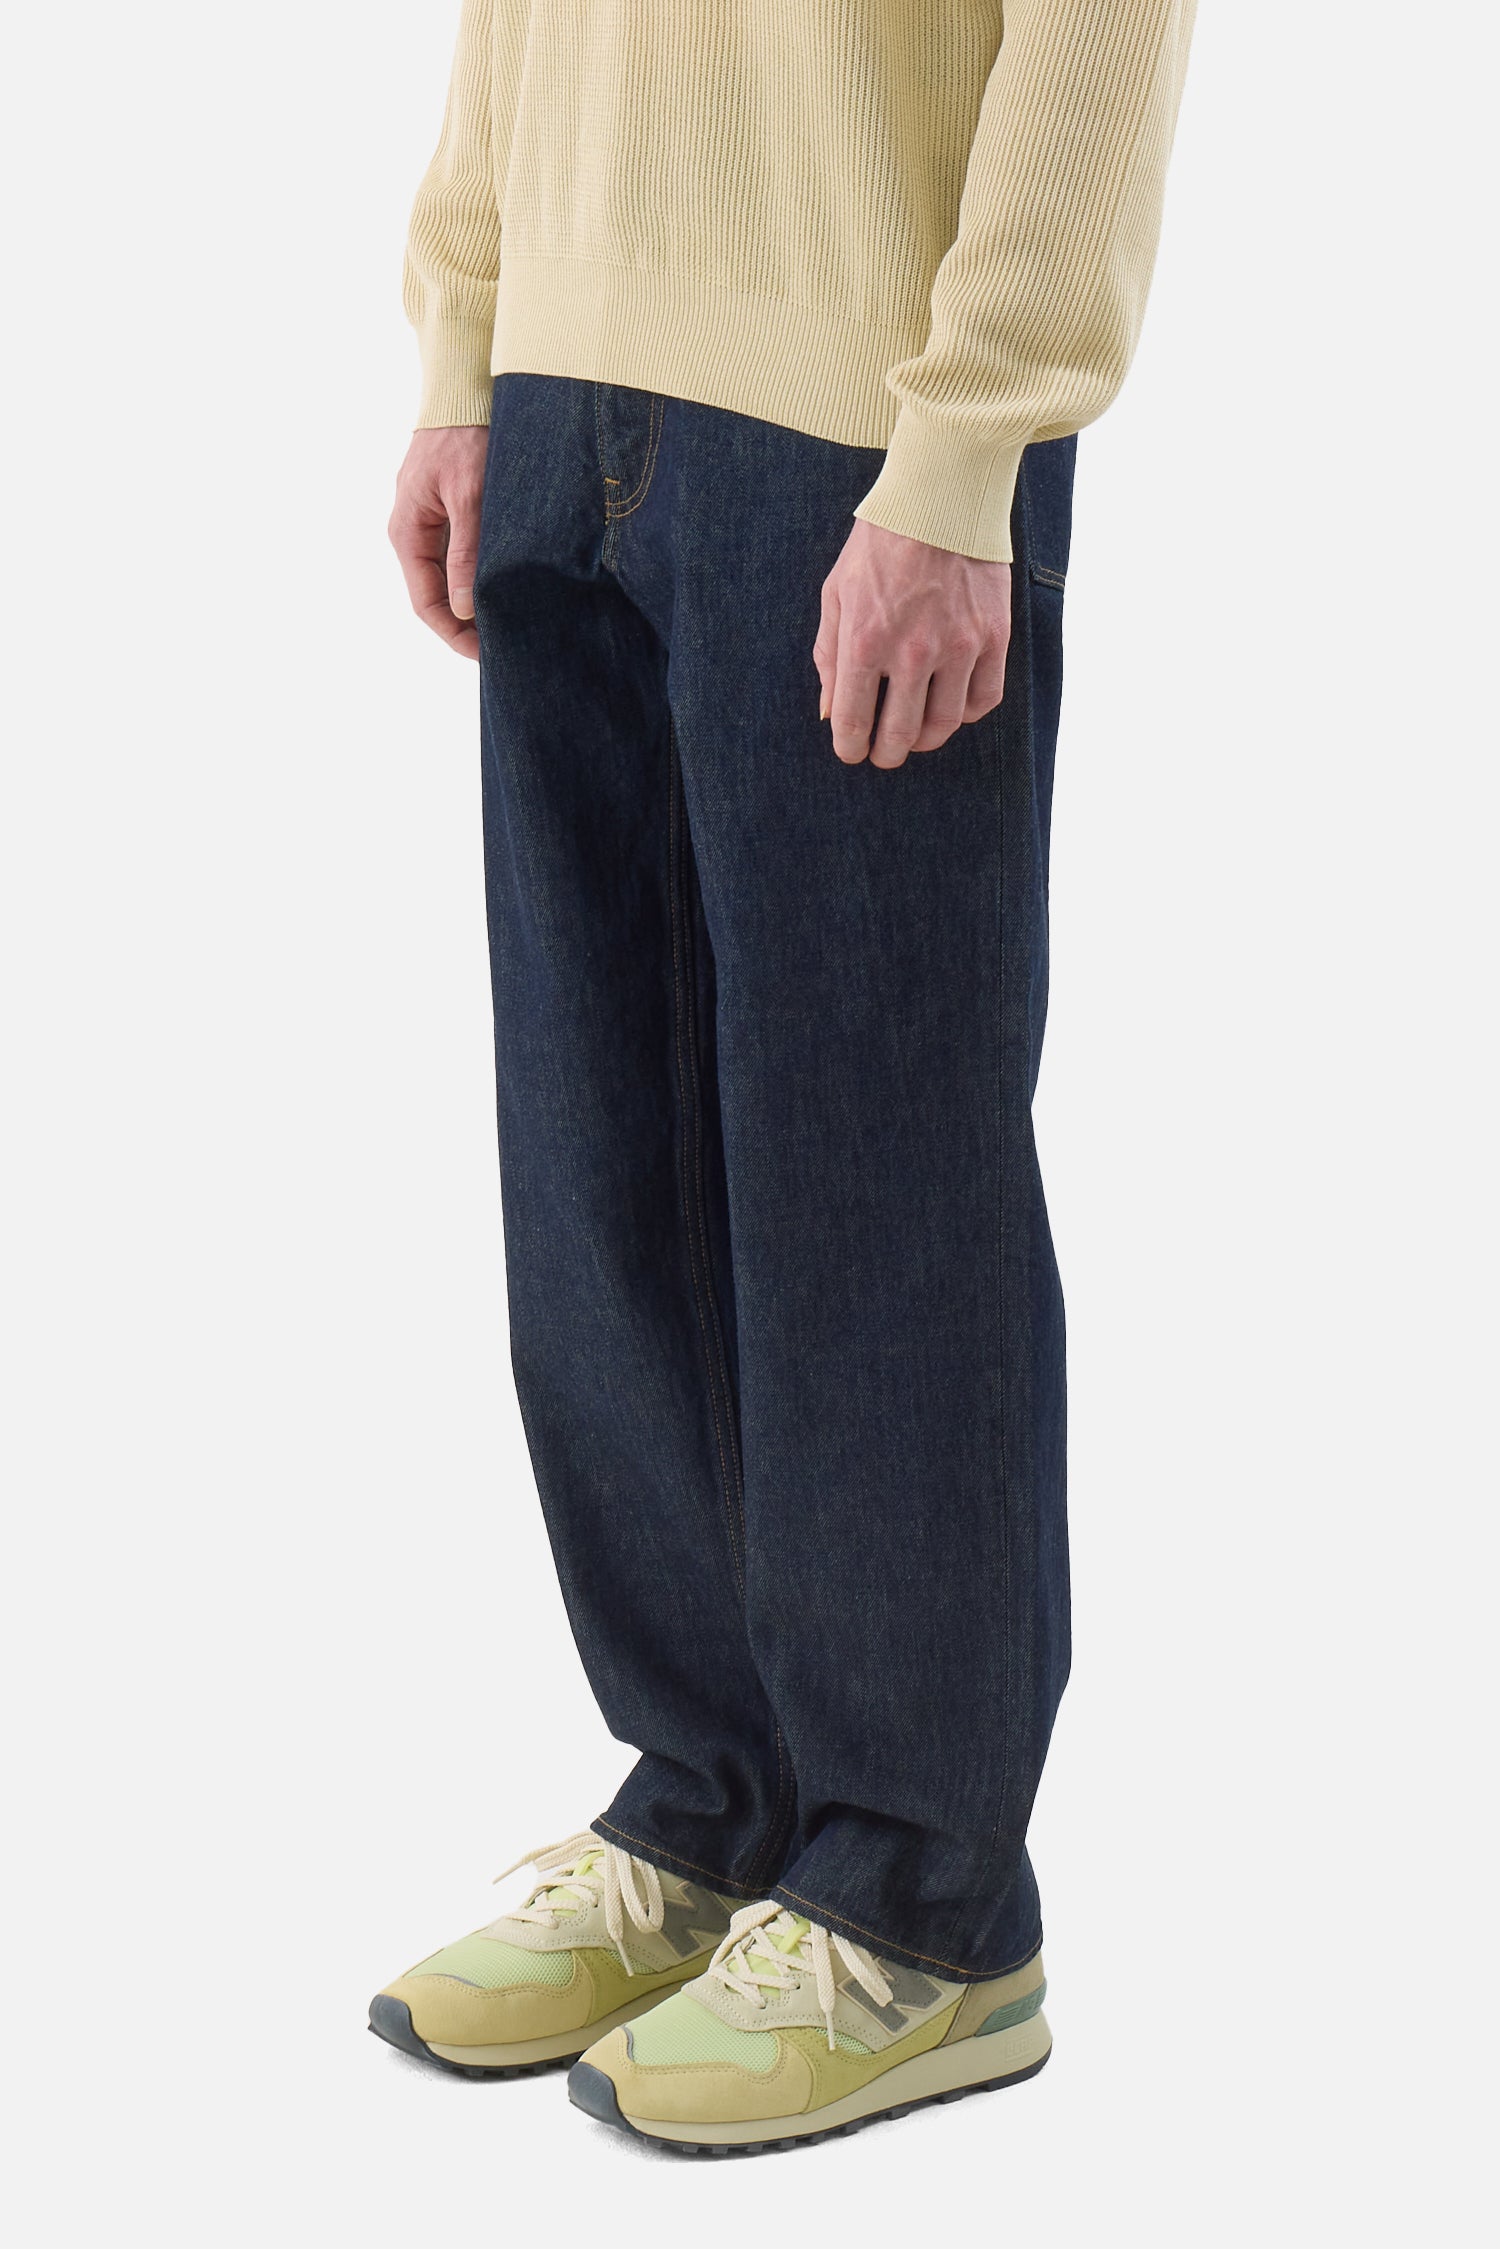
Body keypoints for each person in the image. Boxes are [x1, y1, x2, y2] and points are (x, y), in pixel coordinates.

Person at [372, 0, 1195, 2153]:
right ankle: (715, 1806)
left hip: (860, 405)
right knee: (603, 1161)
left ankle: (924, 1903)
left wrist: (972, 442)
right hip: (570, 372)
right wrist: (471, 340)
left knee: (867, 1172)